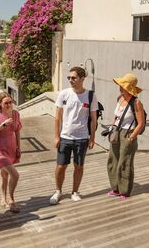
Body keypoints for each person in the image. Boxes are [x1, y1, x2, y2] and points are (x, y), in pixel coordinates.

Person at [50, 66, 98, 205]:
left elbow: (94, 119)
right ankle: (58, 191)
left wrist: (92, 138)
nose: (70, 80)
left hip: (82, 138)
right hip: (65, 137)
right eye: (69, 78)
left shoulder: (90, 95)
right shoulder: (64, 94)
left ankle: (75, 192)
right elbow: (57, 117)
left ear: (82, 79)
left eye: (74, 78)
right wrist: (56, 136)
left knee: (79, 166)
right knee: (60, 166)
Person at [107, 73, 145, 200]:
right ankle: (115, 188)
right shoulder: (120, 98)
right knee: (113, 161)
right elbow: (116, 116)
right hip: (116, 132)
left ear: (128, 87)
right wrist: (112, 128)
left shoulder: (136, 102)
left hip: (128, 134)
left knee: (125, 163)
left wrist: (131, 137)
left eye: (122, 85)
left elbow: (141, 123)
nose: (120, 87)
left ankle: (124, 191)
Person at [0, 92, 22, 213]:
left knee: (4, 174)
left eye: (10, 102)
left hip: (11, 147)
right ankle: (11, 200)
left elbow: (17, 131)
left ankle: (3, 198)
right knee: (15, 175)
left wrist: (18, 147)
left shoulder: (16, 114)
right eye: (6, 103)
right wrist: (3, 124)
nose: (8, 104)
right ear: (0, 104)